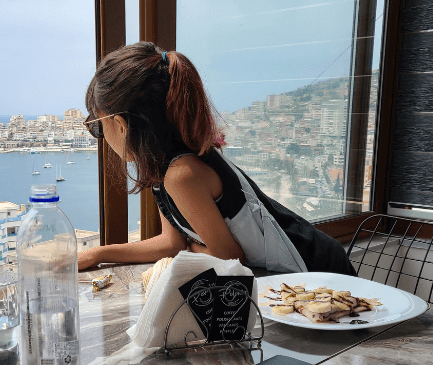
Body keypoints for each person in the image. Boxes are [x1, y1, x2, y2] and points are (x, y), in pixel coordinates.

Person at [79, 42, 356, 276]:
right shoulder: (164, 168)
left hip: (319, 271)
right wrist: (96, 255)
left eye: (96, 125)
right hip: (302, 264)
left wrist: (190, 248)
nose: (99, 133)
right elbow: (170, 243)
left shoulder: (182, 174)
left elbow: (229, 259)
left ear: (119, 124)